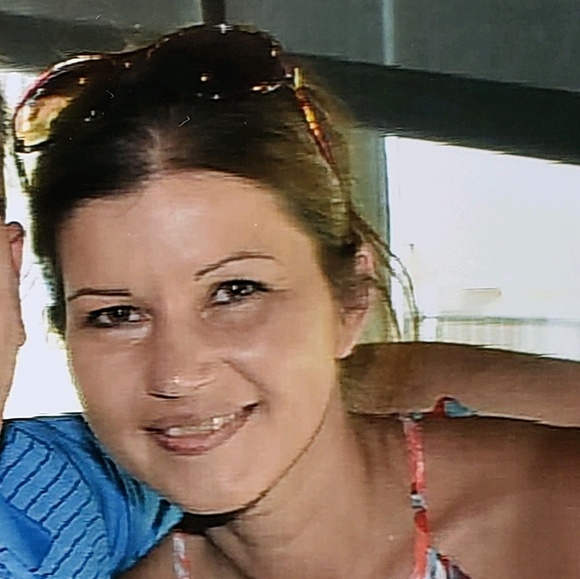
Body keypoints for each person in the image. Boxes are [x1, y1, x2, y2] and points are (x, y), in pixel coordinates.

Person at [9, 23, 578, 578]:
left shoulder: (551, 514)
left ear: (351, 300)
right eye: (116, 315)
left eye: (235, 292)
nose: (177, 373)